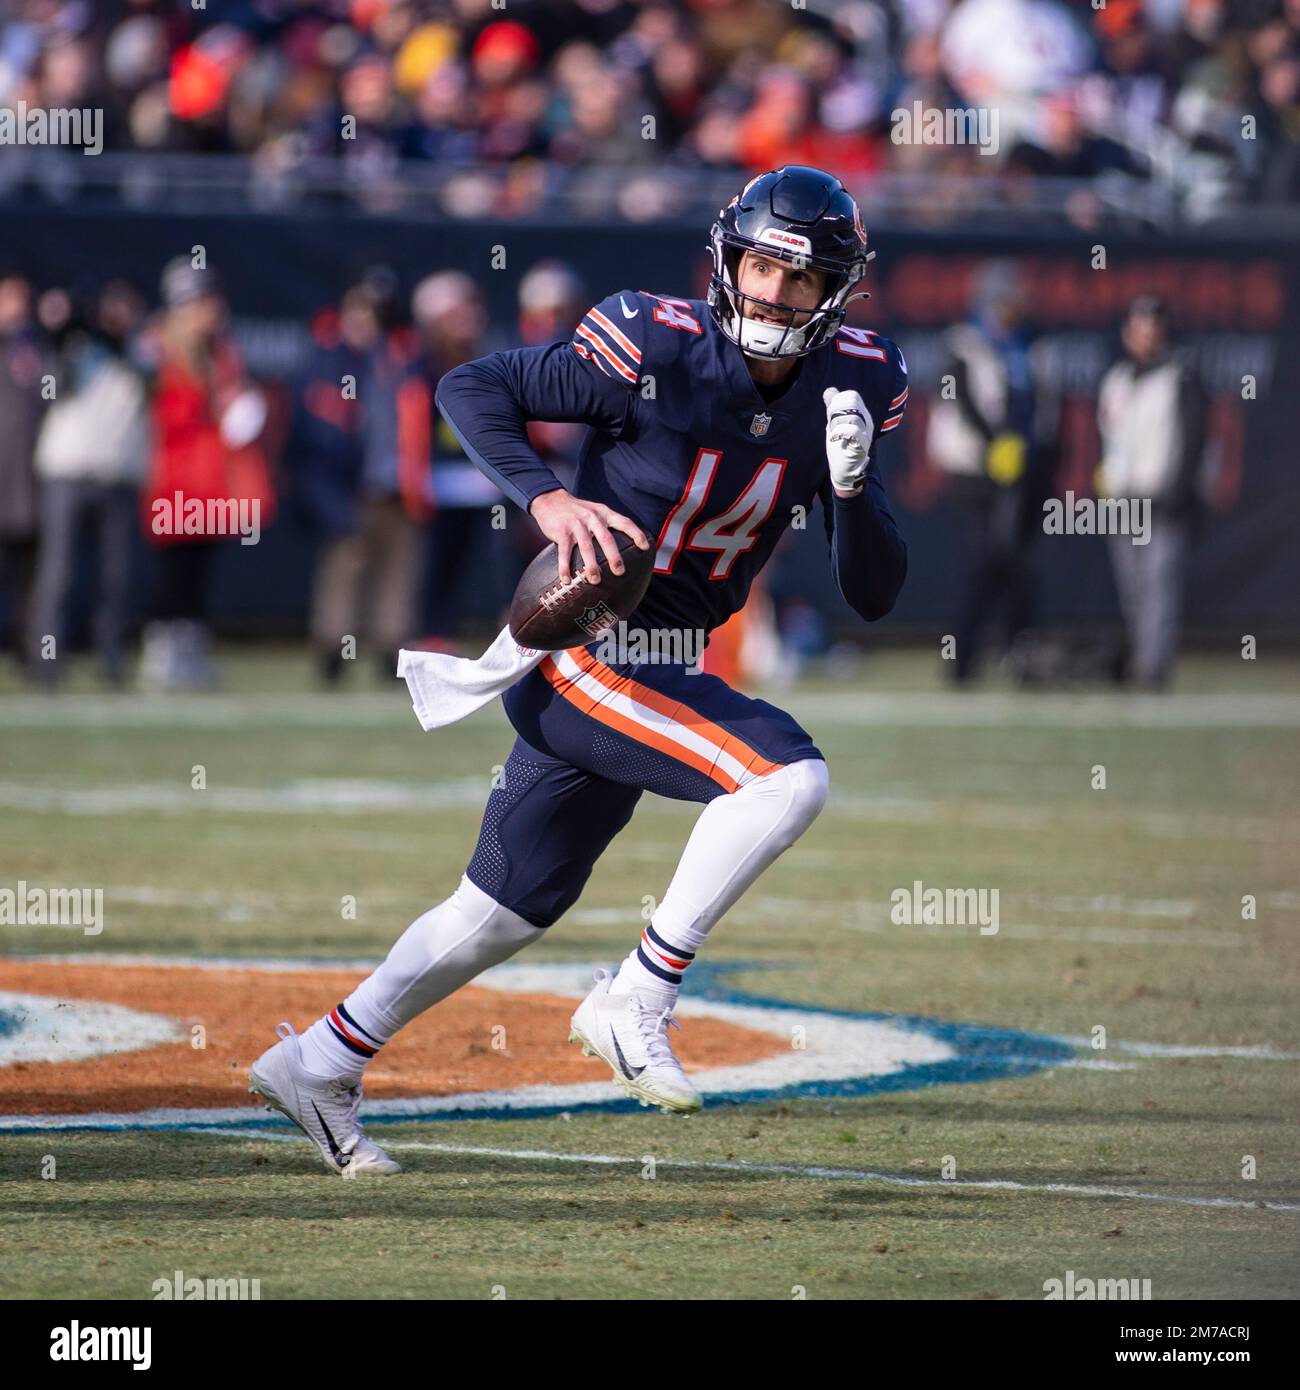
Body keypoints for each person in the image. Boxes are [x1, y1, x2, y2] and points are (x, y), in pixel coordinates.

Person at [249, 165, 909, 1175]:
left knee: (498, 910)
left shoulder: (859, 378)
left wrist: (855, 491)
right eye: (761, 267)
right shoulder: (655, 343)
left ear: (837, 292)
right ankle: (637, 994)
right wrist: (545, 500)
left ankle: (321, 1060)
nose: (776, 293)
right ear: (727, 259)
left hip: (658, 663)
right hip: (590, 645)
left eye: (803, 278)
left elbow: (872, 592)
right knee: (785, 777)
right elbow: (471, 386)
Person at [139, 259, 272, 691]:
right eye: (201, 301)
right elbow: (163, 414)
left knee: (199, 566)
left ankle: (191, 649)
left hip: (213, 477)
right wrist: (213, 408)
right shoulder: (159, 348)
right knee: (173, 568)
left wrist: (242, 408)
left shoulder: (222, 352)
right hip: (175, 476)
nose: (211, 310)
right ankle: (163, 653)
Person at [29, 280, 149, 687]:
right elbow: (51, 391)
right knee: (57, 572)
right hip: (68, 469)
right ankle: (47, 662)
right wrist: (65, 335)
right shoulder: (78, 345)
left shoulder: (143, 350)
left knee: (116, 577)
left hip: (119, 474)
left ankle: (112, 661)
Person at [926, 261, 1038, 683]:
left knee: (1004, 563)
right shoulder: (964, 344)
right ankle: (962, 661)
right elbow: (964, 400)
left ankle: (1005, 654)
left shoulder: (1013, 347)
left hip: (1001, 471)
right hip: (972, 470)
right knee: (979, 563)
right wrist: (997, 444)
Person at [1096, 295, 1205, 688]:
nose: (1145, 336)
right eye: (1139, 328)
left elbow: (1194, 438)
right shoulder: (1117, 380)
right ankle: (1142, 659)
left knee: (1161, 587)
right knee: (1133, 590)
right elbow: (1110, 441)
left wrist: (1179, 489)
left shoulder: (1181, 375)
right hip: (1124, 501)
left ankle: (1151, 670)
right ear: (1128, 333)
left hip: (1163, 499)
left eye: (1153, 328)